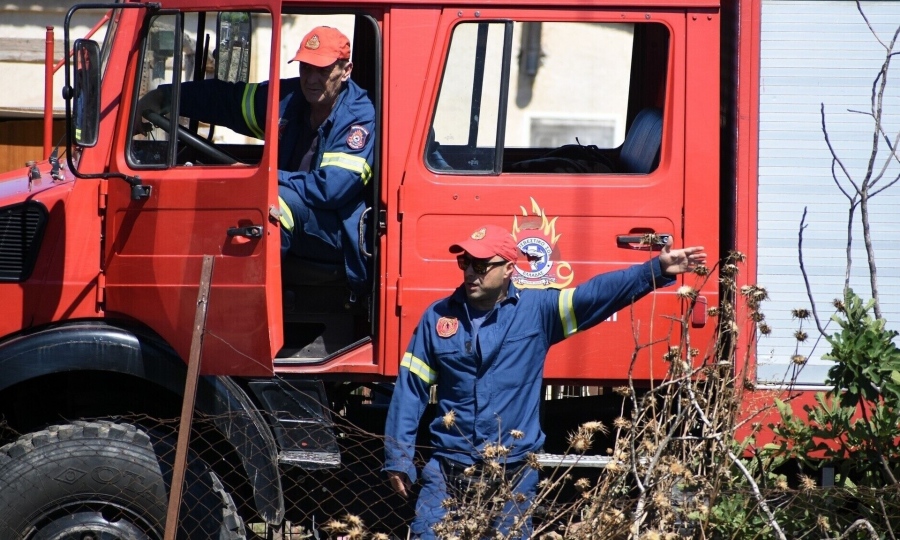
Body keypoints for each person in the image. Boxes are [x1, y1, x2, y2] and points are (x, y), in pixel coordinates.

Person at [383, 224, 706, 539]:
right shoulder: (437, 318)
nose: (470, 273)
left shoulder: (539, 311)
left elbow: (595, 295)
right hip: (448, 469)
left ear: (509, 268)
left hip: (513, 473)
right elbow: (410, 390)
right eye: (465, 263)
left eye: (481, 265)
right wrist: (398, 458)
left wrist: (656, 269)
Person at [136, 26, 375, 296]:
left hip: (335, 231)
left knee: (272, 202)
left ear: (346, 71)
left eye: (322, 71)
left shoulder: (359, 117)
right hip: (297, 214)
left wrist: (263, 175)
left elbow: (330, 190)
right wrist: (165, 97)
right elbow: (227, 100)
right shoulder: (291, 98)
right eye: (306, 69)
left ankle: (244, 307)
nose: (311, 79)